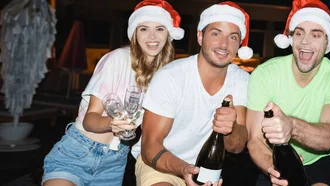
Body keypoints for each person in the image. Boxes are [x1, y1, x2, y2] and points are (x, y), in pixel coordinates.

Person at [41, 0, 185, 185]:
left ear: (168, 34)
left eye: (159, 29)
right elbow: (90, 120)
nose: (152, 36)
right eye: (143, 29)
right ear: (134, 33)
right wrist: (112, 123)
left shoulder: (165, 76)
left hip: (114, 162)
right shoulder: (117, 59)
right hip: (78, 152)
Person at [130, 1, 253, 186]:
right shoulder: (170, 77)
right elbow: (150, 148)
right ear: (200, 36)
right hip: (160, 165)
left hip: (206, 171)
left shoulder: (242, 80)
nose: (224, 44)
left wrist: (230, 127)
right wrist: (183, 169)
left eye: (233, 37)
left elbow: (236, 146)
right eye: (216, 33)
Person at [246, 0, 330, 185]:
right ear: (291, 38)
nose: (305, 41)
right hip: (273, 160)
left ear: (327, 42)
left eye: (316, 35)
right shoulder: (264, 73)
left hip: (319, 161)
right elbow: (255, 140)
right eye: (299, 33)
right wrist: (274, 170)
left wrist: (292, 126)